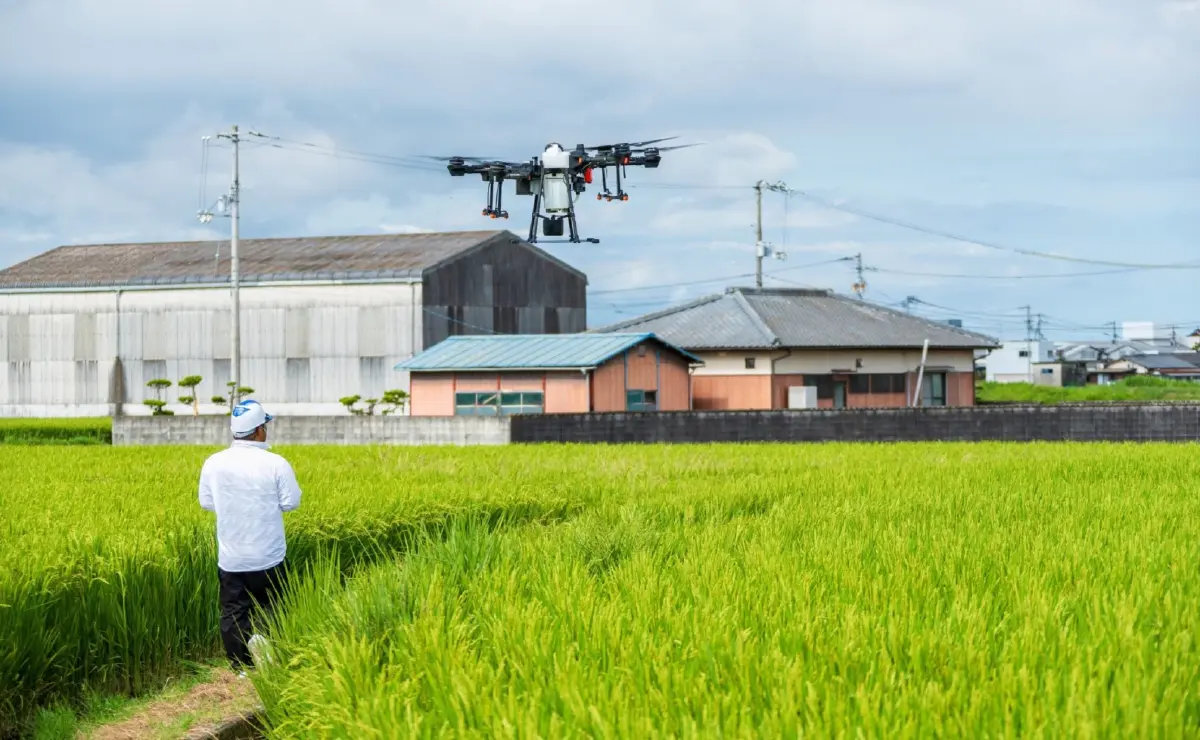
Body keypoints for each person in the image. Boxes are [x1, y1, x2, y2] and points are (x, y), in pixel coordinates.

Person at [198, 399, 301, 674]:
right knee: (275, 604)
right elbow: (291, 502)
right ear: (257, 431)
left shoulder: (214, 463)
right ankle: (272, 654)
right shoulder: (275, 463)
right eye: (265, 425)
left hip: (232, 557)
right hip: (268, 554)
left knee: (234, 611)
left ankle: (241, 668)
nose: (266, 430)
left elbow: (206, 502)